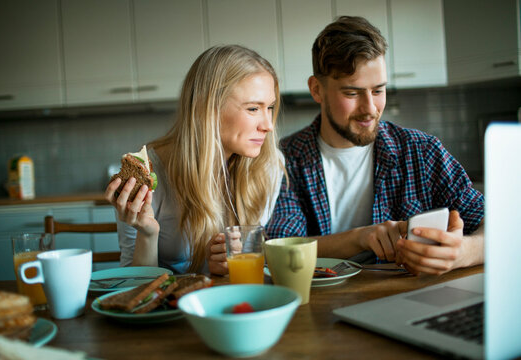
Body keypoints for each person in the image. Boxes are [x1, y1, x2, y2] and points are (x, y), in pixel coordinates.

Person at [266, 16, 485, 275]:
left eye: (378, 90)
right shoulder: (283, 160)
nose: (370, 109)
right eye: (352, 93)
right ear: (317, 90)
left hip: (404, 299)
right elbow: (279, 250)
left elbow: (501, 224)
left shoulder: (422, 151)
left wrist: (462, 253)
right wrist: (360, 238)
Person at [105, 45, 284, 275]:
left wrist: (225, 266)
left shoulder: (269, 166)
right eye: (252, 108)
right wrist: (147, 233)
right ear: (205, 107)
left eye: (269, 107)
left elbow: (247, 271)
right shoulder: (149, 175)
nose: (268, 125)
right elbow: (134, 284)